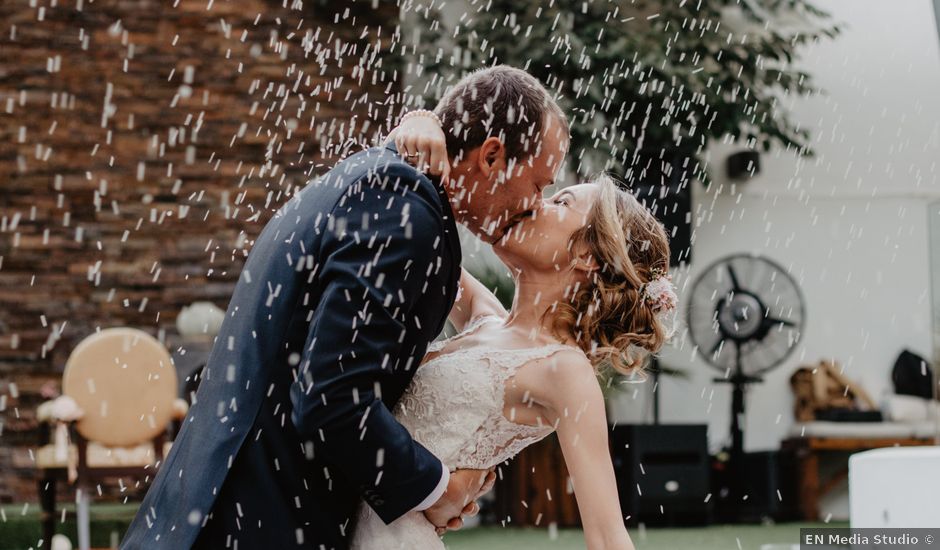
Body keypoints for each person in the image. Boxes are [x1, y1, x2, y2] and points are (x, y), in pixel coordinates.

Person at [121, 65, 568, 549]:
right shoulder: (408, 215)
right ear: (492, 155)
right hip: (258, 521)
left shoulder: (380, 180)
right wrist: (437, 487)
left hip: (217, 509)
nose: (535, 204)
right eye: (540, 184)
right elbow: (331, 397)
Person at [348, 115, 678, 549]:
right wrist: (424, 124)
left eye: (558, 201)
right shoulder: (485, 315)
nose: (533, 202)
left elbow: (608, 537)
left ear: (586, 255)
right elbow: (416, 224)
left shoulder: (564, 370)